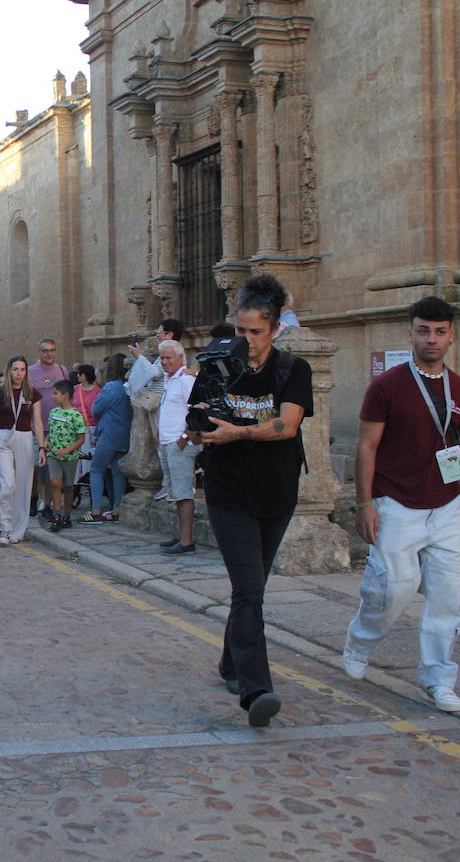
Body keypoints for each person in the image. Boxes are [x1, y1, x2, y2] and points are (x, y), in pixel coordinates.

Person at [343, 296, 460, 713]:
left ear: (451, 336)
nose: (432, 338)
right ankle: (360, 640)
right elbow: (366, 446)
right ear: (410, 332)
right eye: (424, 330)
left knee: (449, 595)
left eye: (440, 331)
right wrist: (364, 504)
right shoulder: (387, 386)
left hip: (447, 505)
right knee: (394, 589)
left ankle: (438, 678)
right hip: (396, 503)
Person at [187, 274, 312, 728]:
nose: (247, 340)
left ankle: (229, 662)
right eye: (241, 331)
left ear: (275, 329)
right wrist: (198, 429)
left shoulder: (293, 370)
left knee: (252, 587)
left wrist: (236, 431)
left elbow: (288, 425)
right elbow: (195, 423)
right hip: (229, 493)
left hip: (277, 494)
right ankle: (256, 689)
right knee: (248, 588)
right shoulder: (216, 367)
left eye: (256, 331)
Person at [0, 355, 45, 545]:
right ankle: (4, 527)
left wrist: (42, 447)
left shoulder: (32, 393)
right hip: (1, 438)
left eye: (22, 369)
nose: (18, 373)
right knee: (7, 483)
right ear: (9, 371)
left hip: (24, 437)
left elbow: (37, 421)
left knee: (23, 485)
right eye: (15, 369)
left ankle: (18, 529)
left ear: (26, 372)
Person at [127, 318, 185, 499]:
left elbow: (154, 373)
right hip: (160, 403)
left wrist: (138, 356)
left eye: (159, 333)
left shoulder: (173, 353)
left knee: (165, 444)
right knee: (161, 443)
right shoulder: (167, 354)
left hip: (161, 403)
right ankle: (168, 483)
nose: (157, 336)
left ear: (170, 334)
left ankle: (168, 485)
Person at [155, 340, 198, 554]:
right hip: (167, 442)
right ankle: (181, 535)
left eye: (168, 358)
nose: (164, 362)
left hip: (178, 443)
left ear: (180, 358)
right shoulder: (170, 379)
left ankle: (187, 540)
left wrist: (184, 436)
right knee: (175, 494)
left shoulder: (185, 379)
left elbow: (197, 409)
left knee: (183, 493)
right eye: (162, 358)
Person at [81, 353, 132, 523]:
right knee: (118, 473)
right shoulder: (128, 386)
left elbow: (96, 409)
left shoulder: (111, 387)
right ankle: (116, 509)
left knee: (96, 469)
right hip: (124, 435)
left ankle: (95, 511)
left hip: (109, 434)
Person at [27, 339, 69, 515]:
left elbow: (68, 396)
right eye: (45, 351)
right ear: (39, 352)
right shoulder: (30, 372)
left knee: (53, 468)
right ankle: (34, 498)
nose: (49, 354)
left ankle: (49, 504)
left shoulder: (62, 371)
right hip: (37, 426)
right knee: (36, 467)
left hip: (59, 426)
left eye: (52, 350)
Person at [44, 379, 86, 531]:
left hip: (70, 457)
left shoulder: (76, 415)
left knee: (68, 487)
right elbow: (52, 431)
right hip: (53, 455)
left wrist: (68, 450)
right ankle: (57, 515)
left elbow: (81, 439)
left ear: (66, 395)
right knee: (55, 482)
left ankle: (67, 515)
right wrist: (46, 441)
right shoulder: (53, 412)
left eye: (56, 394)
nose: (53, 396)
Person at [71, 363, 101, 485]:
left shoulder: (98, 391)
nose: (77, 376)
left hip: (92, 428)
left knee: (89, 457)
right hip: (77, 428)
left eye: (80, 374)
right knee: (77, 458)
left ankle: (89, 481)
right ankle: (77, 482)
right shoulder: (75, 389)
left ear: (85, 375)